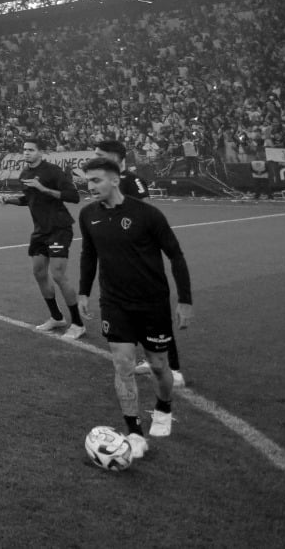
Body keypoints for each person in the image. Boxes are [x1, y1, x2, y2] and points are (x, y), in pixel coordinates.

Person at [76, 158, 193, 459]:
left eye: (97, 180)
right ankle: (134, 433)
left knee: (158, 366)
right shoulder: (88, 215)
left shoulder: (147, 215)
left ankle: (164, 407)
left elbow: (176, 255)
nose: (91, 186)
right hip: (115, 303)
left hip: (152, 303)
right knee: (122, 364)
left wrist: (184, 300)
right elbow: (89, 255)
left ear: (115, 180)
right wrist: (83, 292)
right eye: (88, 181)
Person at [97, 140, 183, 384]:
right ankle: (148, 359)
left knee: (156, 315)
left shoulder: (130, 179)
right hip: (120, 259)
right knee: (132, 314)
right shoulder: (107, 182)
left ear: (115, 156)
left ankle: (174, 368)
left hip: (141, 259)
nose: (96, 158)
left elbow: (145, 213)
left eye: (100, 154)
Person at [0, 138, 84, 339]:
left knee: (59, 275)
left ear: (40, 152)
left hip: (59, 227)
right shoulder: (25, 174)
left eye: (31, 150)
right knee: (38, 272)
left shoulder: (53, 171)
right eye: (24, 150)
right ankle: (56, 317)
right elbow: (30, 199)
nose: (26, 153)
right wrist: (9, 200)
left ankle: (78, 324)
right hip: (40, 231)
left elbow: (73, 196)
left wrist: (43, 188)